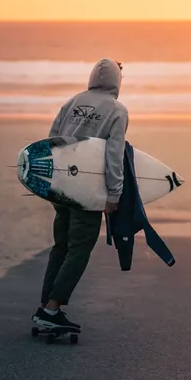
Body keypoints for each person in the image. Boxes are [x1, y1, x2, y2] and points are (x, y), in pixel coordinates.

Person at [32, 58, 128, 331]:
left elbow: (50, 142)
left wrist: (48, 182)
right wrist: (114, 194)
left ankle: (45, 309)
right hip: (87, 192)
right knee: (80, 249)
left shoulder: (72, 102)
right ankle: (52, 310)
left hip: (61, 186)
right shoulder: (116, 110)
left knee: (61, 246)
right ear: (116, 81)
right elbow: (114, 155)